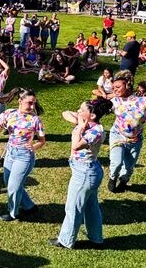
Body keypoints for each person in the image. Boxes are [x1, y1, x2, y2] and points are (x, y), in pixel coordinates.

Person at [50, 98, 112, 249]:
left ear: (92, 115)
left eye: (82, 110)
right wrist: (80, 120)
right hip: (87, 171)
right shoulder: (87, 123)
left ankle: (66, 240)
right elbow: (66, 113)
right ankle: (96, 238)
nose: (78, 111)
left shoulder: (96, 132)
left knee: (73, 208)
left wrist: (79, 127)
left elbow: (76, 146)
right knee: (91, 207)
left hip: (85, 173)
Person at [0, 88, 45, 221]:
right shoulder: (9, 113)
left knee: (13, 187)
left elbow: (42, 141)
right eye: (29, 103)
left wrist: (34, 146)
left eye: (34, 103)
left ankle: (13, 213)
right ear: (20, 101)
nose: (32, 106)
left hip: (24, 156)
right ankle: (30, 206)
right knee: (9, 182)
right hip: (10, 153)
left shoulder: (35, 120)